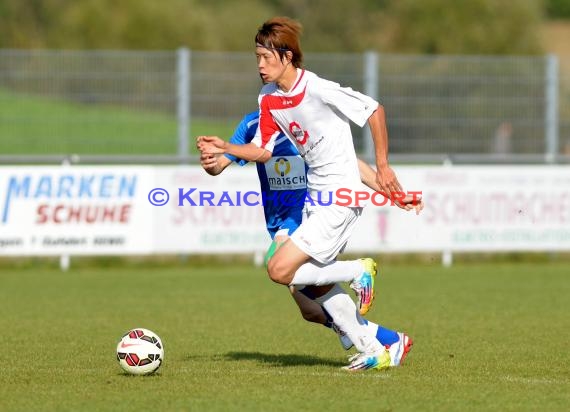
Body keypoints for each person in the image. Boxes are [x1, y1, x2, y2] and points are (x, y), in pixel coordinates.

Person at [198, 17, 422, 371]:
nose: (259, 65)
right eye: (256, 57)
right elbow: (263, 151)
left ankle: (357, 271)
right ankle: (376, 347)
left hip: (341, 197)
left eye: (265, 57)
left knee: (280, 270)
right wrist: (226, 147)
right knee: (310, 286)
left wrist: (384, 168)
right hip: (318, 202)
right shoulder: (268, 100)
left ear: (287, 56)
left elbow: (374, 110)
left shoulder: (317, 88)